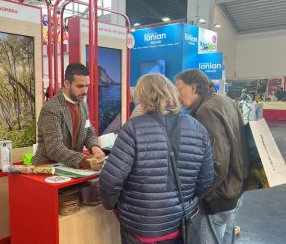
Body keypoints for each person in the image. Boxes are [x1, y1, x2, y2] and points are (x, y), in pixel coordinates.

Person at [99, 73, 214, 244]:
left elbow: (110, 181)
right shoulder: (198, 128)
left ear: (143, 97)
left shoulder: (133, 129)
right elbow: (206, 180)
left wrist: (113, 206)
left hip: (140, 227)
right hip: (181, 225)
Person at [174, 69, 249, 244]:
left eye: (179, 89)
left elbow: (217, 162)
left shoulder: (206, 111)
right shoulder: (225, 101)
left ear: (193, 88)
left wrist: (200, 194)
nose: (177, 95)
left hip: (218, 197)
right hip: (236, 188)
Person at [32, 63, 104, 169]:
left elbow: (88, 132)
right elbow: (55, 148)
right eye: (80, 86)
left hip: (72, 168)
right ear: (67, 84)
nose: (84, 91)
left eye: (87, 86)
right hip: (46, 169)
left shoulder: (83, 106)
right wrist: (85, 161)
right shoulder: (51, 108)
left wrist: (96, 148)